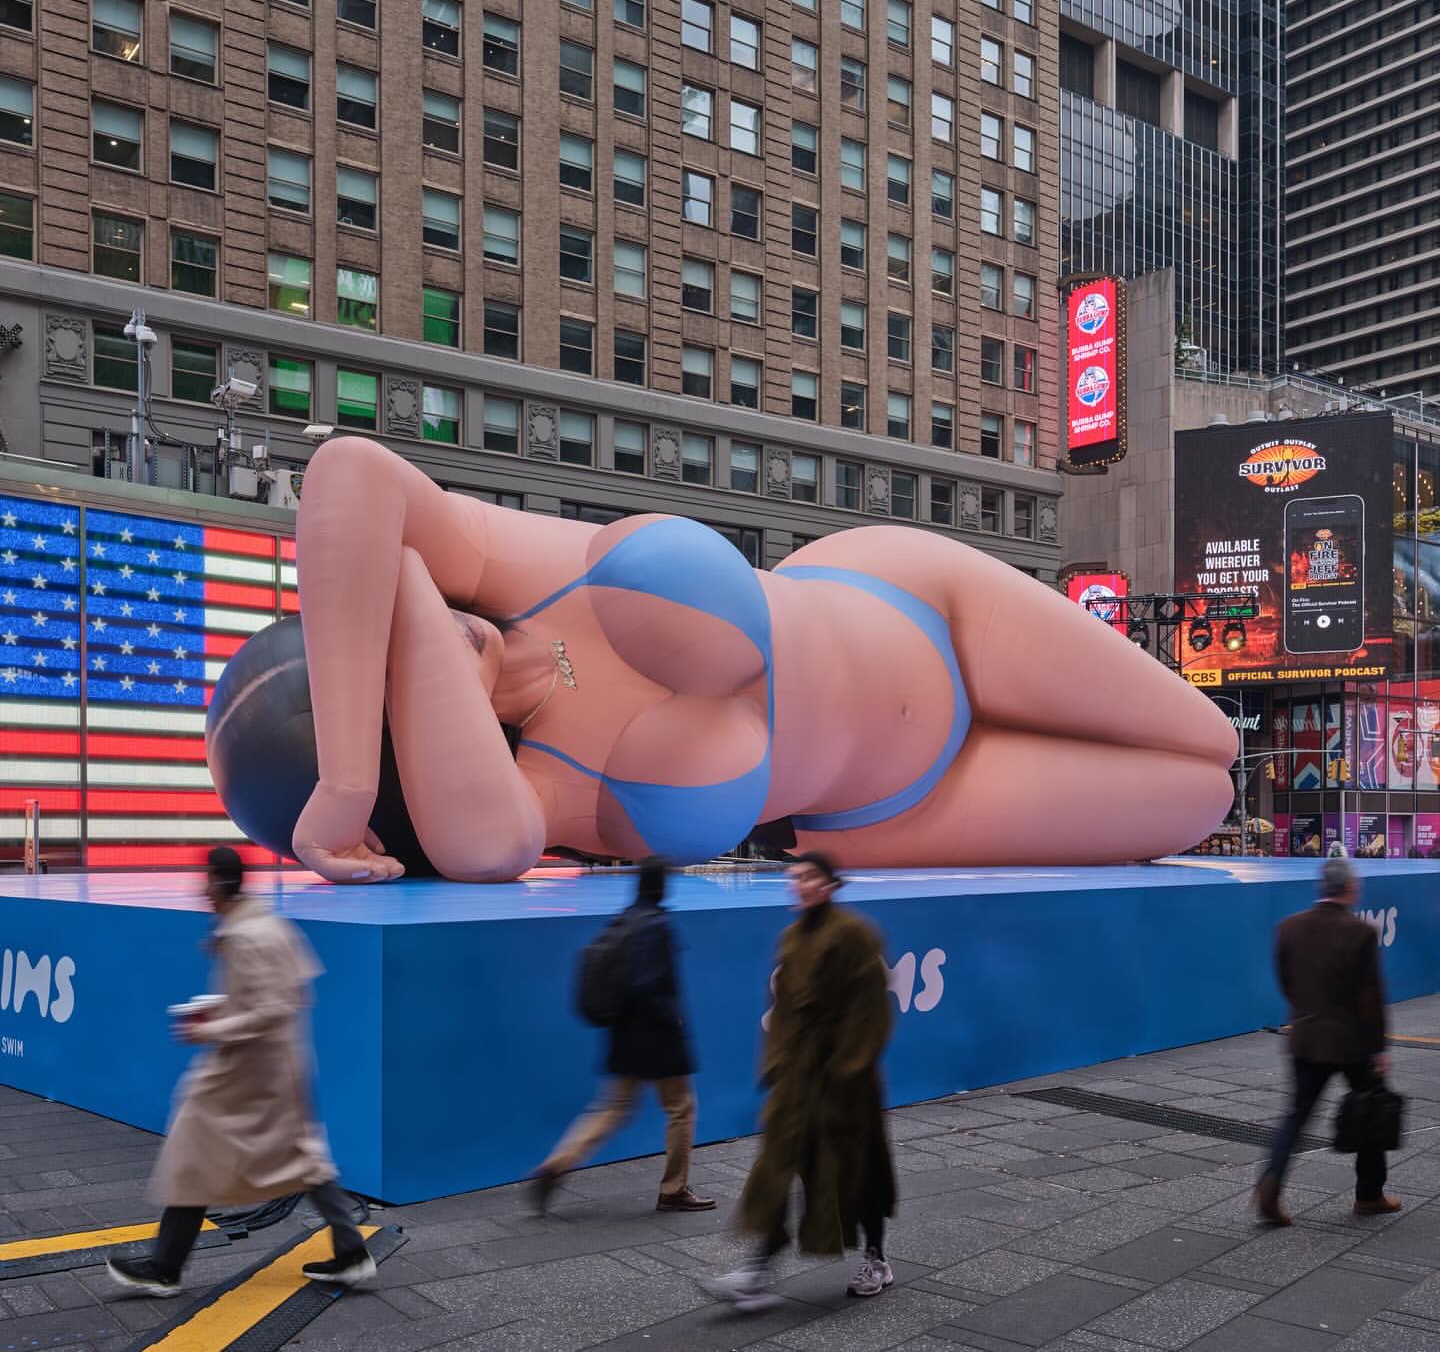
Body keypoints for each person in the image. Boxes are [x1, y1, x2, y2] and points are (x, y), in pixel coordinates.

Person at [217, 437, 1235, 886]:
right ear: (421, 757)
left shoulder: (505, 567)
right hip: (906, 805)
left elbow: (348, 473)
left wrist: (346, 775)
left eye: (390, 624)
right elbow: (483, 846)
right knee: (1199, 798)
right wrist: (397, 604)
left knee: (1211, 731)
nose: (428, 626)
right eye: (404, 664)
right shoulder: (541, 792)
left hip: (918, 598)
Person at [108, 847, 374, 1297]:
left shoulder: (251, 935)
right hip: (267, 1068)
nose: (203, 890)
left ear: (223, 883)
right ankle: (350, 1251)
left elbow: (273, 1007)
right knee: (302, 1156)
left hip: (249, 1071)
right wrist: (221, 1011)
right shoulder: (259, 925)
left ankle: (166, 1266)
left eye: (207, 880)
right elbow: (278, 997)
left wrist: (212, 1028)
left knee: (197, 1151)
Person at [704, 853, 896, 1310]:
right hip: (798, 1077)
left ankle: (876, 1257)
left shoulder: (855, 934)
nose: (800, 884)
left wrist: (848, 1070)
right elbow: (784, 1013)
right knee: (778, 1165)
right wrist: (777, 1065)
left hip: (847, 1084)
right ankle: (757, 1269)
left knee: (858, 1171)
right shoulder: (790, 938)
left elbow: (870, 1012)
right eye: (796, 877)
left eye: (810, 877)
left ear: (831, 884)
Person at [530, 859, 714, 1215]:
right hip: (657, 1036)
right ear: (663, 885)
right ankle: (674, 1189)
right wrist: (671, 1018)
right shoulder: (656, 925)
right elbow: (649, 983)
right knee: (681, 1108)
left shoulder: (625, 919)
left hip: (624, 1032)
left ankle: (557, 1163)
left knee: (613, 1108)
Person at [1256, 852, 1398, 1226]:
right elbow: (1370, 995)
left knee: (1297, 1115)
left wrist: (1305, 1014)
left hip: (1306, 1037)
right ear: (1351, 889)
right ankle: (1369, 1195)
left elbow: (1286, 980)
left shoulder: (1289, 927)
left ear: (1322, 887)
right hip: (1351, 1042)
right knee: (1372, 1110)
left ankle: (1271, 1179)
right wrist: (1378, 1046)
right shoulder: (1360, 933)